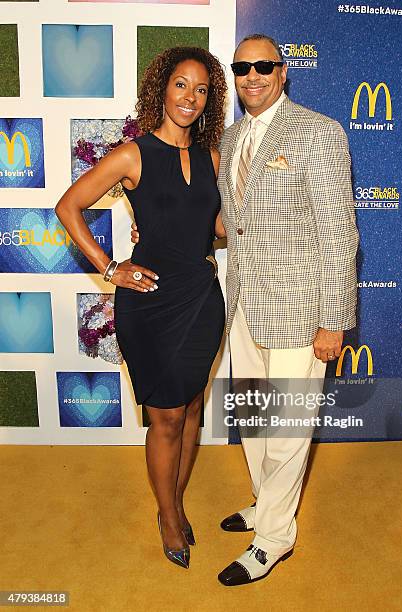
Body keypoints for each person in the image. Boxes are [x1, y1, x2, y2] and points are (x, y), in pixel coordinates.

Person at [132, 33, 359, 585]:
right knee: (256, 425)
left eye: (263, 66)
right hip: (240, 311)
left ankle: (275, 538)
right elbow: (223, 226)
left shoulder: (318, 132)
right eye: (241, 68)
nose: (251, 76)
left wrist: (334, 318)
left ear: (283, 72)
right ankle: (265, 504)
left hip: (302, 315)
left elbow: (339, 232)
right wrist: (160, 230)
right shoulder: (228, 142)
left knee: (287, 430)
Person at [55, 46, 227, 570]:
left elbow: (216, 228)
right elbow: (69, 205)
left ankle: (175, 497)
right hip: (150, 302)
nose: (189, 98)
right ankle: (169, 514)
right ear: (163, 89)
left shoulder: (213, 157)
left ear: (209, 100)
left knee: (193, 405)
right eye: (181, 85)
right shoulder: (133, 153)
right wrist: (111, 268)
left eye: (201, 90)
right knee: (166, 417)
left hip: (200, 297)